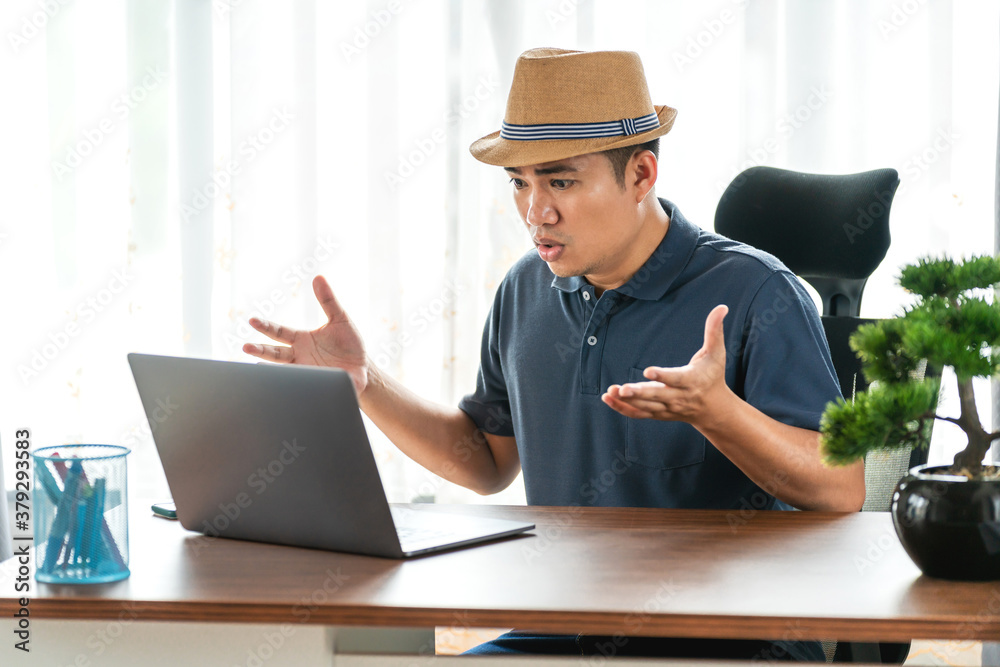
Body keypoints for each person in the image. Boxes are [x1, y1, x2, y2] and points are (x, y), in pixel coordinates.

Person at [243, 47, 864, 659]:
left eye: (561, 180)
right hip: (561, 630)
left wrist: (716, 412)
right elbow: (486, 461)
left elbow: (842, 489)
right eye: (520, 183)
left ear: (642, 175)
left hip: (725, 639)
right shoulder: (526, 287)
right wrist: (365, 382)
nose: (536, 212)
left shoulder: (755, 292)